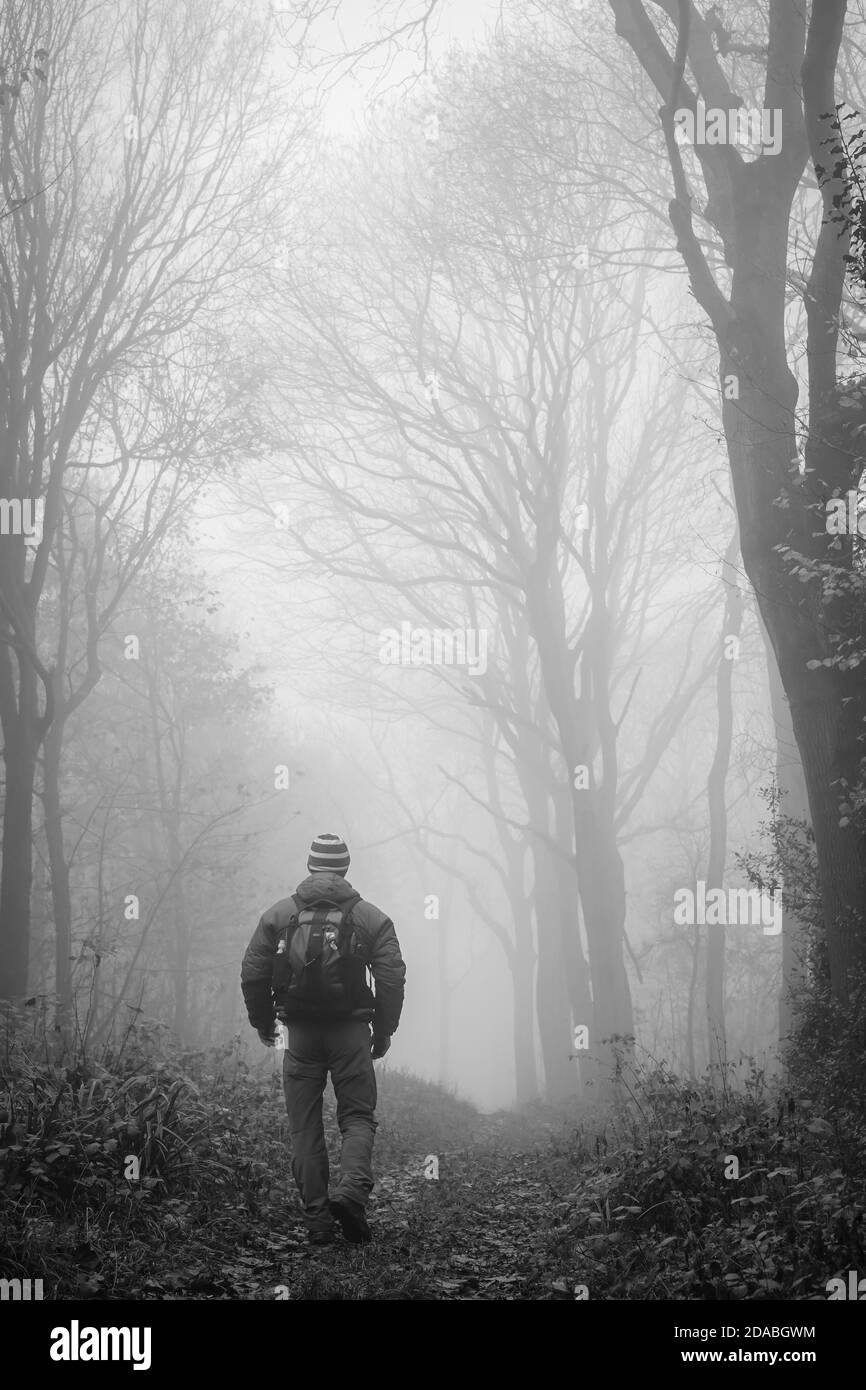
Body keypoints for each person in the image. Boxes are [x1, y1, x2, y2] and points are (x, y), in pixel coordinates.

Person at [241, 833, 405, 1245]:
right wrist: (383, 1031)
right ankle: (350, 1194)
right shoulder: (370, 918)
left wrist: (264, 1024)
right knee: (357, 1117)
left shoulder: (279, 915)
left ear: (310, 866)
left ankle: (317, 1224)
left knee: (305, 1127)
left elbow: (253, 973)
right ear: (346, 869)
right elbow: (391, 977)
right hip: (350, 1033)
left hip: (300, 1036)